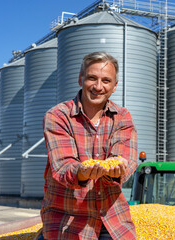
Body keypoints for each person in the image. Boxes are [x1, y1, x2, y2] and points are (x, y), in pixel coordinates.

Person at [40, 52, 138, 239]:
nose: (98, 87)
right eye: (92, 78)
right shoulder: (58, 116)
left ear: (115, 86)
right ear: (80, 79)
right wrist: (82, 173)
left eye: (106, 81)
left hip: (111, 217)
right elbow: (63, 166)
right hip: (67, 218)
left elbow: (125, 157)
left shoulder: (122, 117)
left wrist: (117, 167)